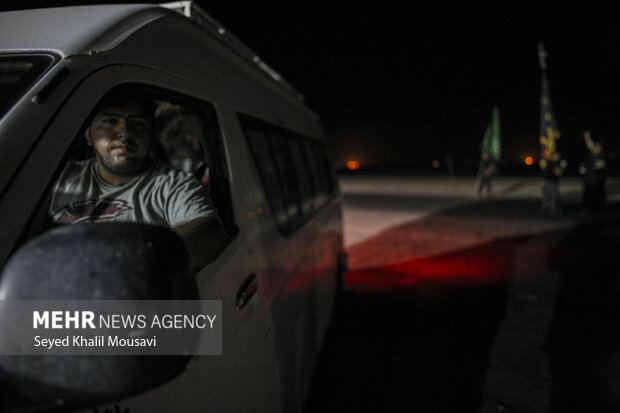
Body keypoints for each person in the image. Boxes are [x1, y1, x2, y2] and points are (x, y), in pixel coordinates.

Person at [48, 91, 228, 269]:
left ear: (151, 135)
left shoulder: (173, 185)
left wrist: (130, 255)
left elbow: (210, 235)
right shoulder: (61, 177)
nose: (125, 133)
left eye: (138, 123)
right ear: (88, 134)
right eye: (111, 121)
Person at [580, 130, 607, 213]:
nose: (596, 148)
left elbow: (601, 166)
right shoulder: (589, 156)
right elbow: (583, 166)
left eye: (599, 147)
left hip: (597, 182)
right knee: (588, 196)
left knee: (597, 197)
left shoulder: (601, 156)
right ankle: (588, 209)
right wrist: (582, 168)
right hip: (588, 181)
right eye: (596, 147)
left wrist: (587, 138)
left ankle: (597, 210)